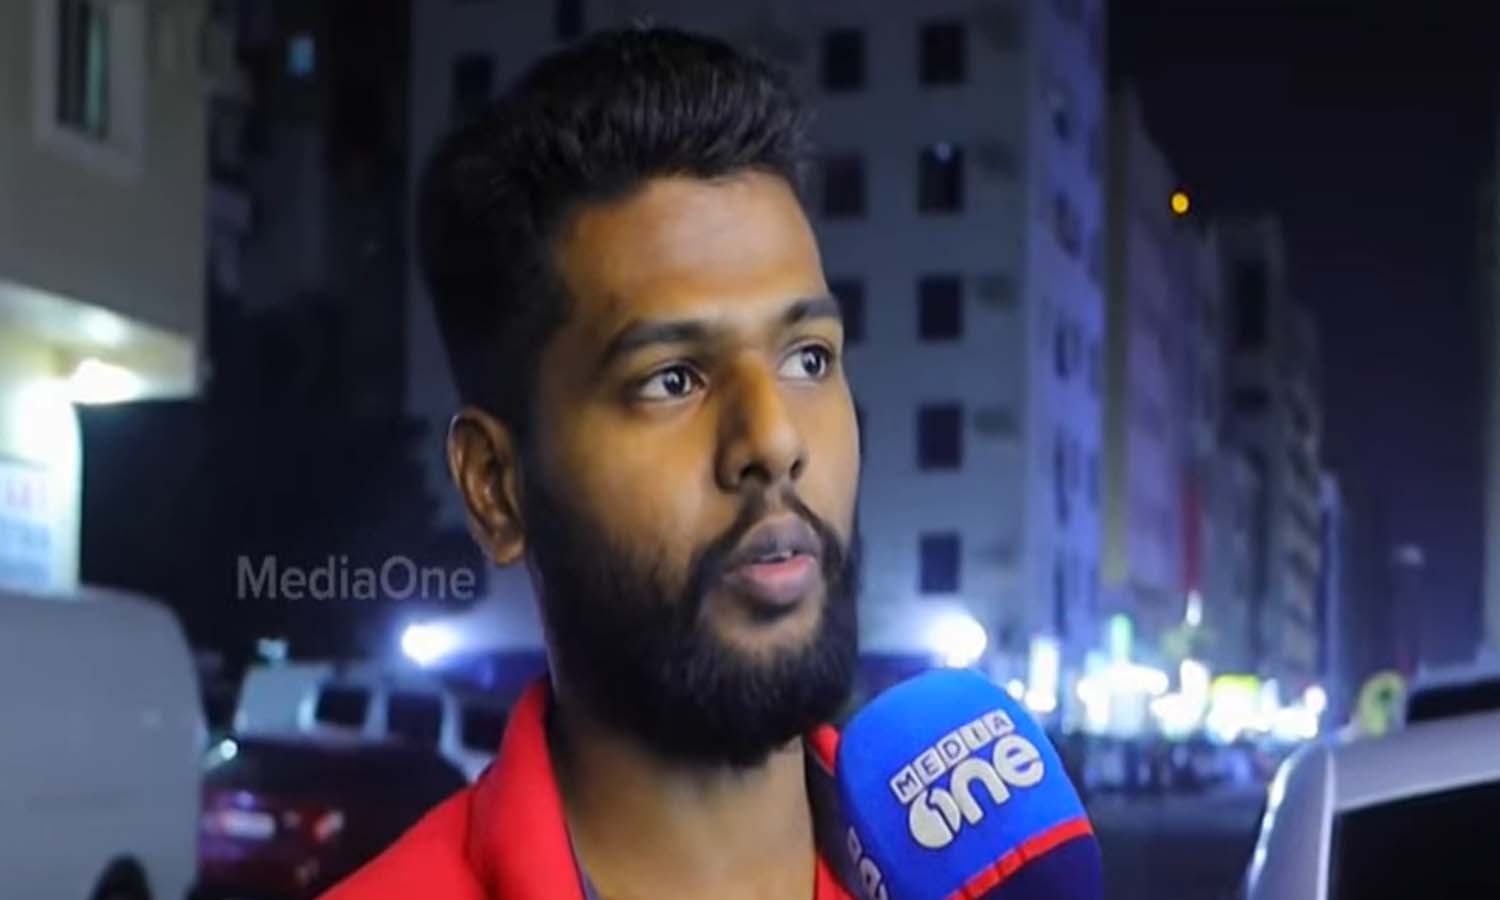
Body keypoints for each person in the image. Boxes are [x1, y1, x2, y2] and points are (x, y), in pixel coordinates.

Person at [321, 25, 863, 900]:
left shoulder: (969, 874)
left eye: (807, 358)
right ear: (496, 489)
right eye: (672, 379)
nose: (773, 440)